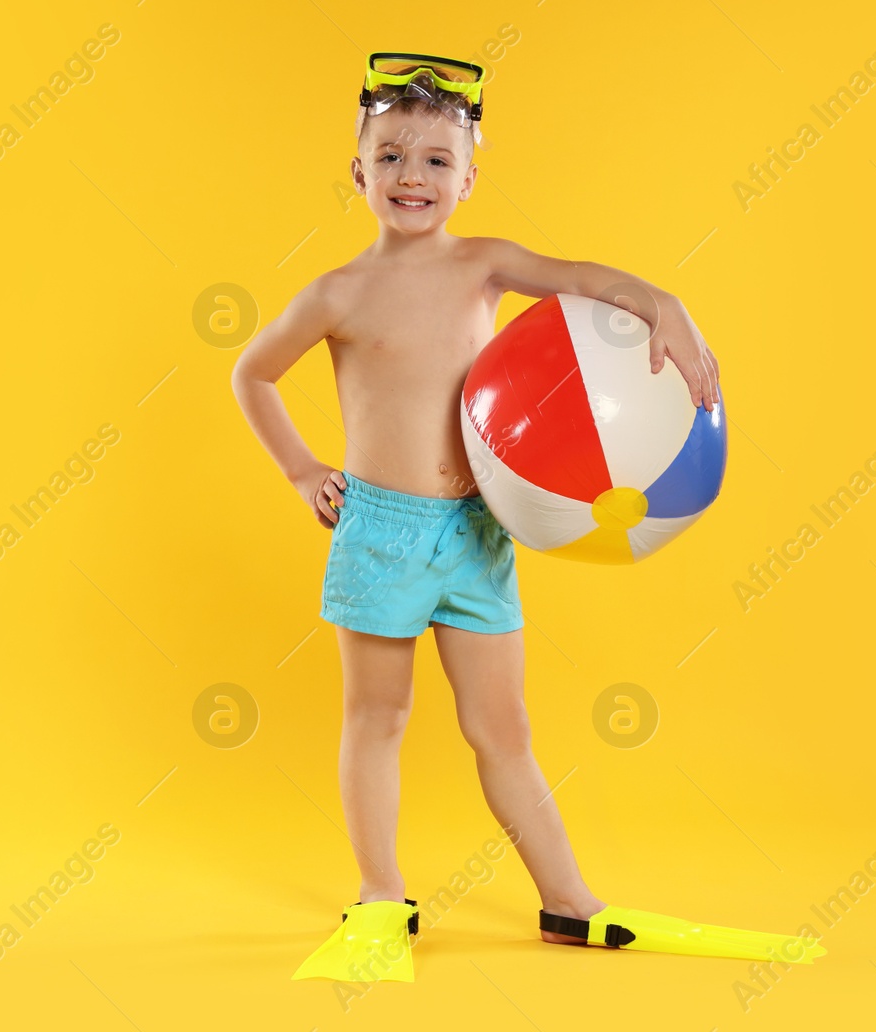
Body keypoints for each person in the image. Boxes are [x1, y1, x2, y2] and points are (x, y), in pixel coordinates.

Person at [231, 53, 820, 983]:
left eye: (434, 160)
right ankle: (381, 892)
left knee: (502, 730)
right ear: (357, 173)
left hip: (478, 534)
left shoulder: (487, 265)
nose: (411, 177)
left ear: (469, 175)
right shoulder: (337, 293)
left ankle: (570, 903)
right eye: (390, 158)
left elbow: (586, 278)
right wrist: (303, 469)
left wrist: (666, 306)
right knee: (377, 716)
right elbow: (251, 373)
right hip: (380, 531)